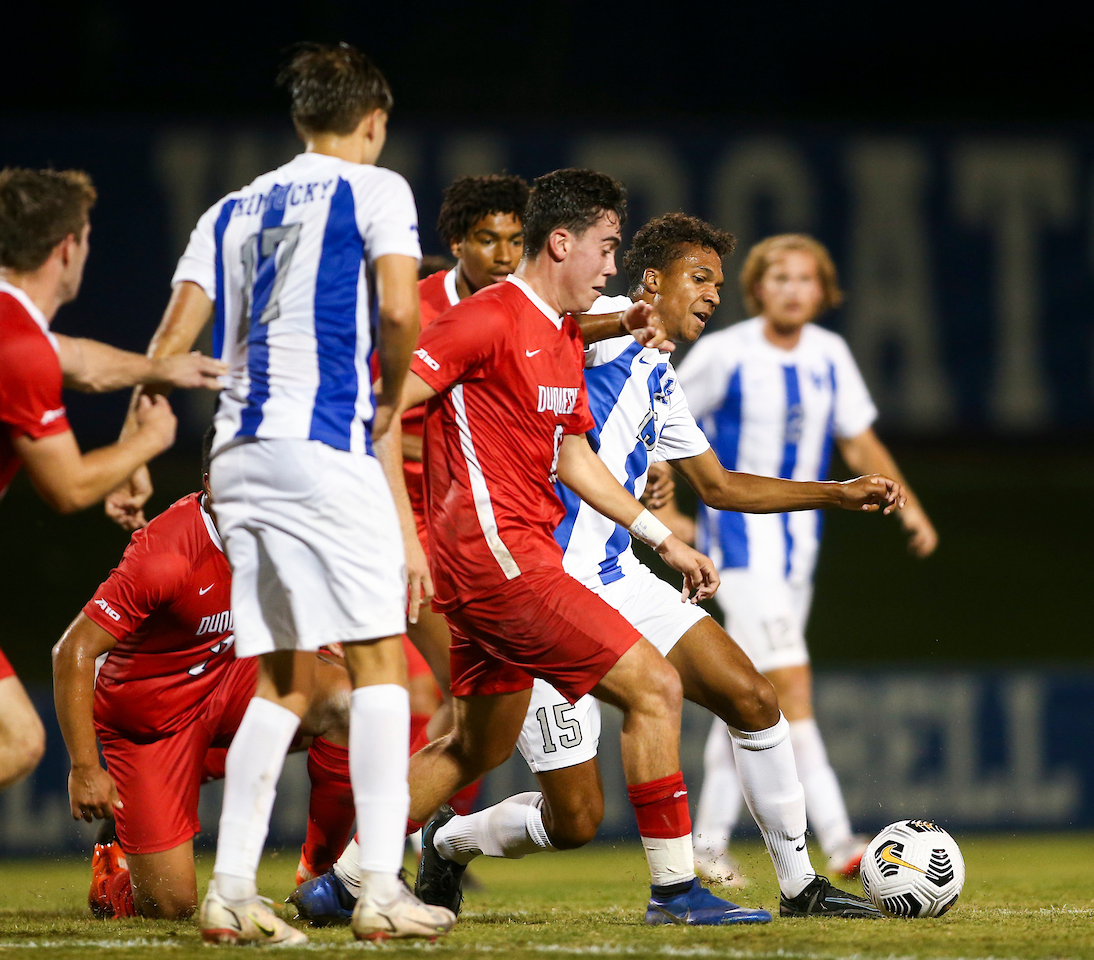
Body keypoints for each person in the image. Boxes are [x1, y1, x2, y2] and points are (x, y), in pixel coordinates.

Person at [301, 212, 900, 925]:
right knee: (574, 811)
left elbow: (719, 487)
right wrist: (621, 324)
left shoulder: (660, 375)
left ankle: (801, 887)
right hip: (544, 577)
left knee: (752, 697)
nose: (712, 295)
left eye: (716, 282)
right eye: (698, 278)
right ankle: (444, 848)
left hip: (618, 576)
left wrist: (835, 493)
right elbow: (547, 334)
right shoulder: (600, 319)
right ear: (652, 281)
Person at [316, 169, 734, 927]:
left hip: (505, 561)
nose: (613, 268)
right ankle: (675, 892)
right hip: (500, 561)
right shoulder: (486, 318)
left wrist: (659, 537)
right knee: (656, 689)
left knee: (474, 747)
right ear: (563, 241)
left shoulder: (559, 334)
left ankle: (342, 882)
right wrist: (406, 538)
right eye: (606, 250)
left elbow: (574, 458)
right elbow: (377, 408)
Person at [157, 43, 453, 945]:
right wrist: (390, 398)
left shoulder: (229, 207)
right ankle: (378, 891)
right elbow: (401, 310)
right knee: (377, 667)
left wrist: (141, 440)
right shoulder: (378, 189)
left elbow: (171, 345)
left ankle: (232, 890)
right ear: (372, 120)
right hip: (323, 447)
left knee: (282, 678)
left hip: (239, 457)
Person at [0, 167, 223, 846]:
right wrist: (147, 444)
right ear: (68, 248)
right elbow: (68, 488)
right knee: (12, 740)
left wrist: (155, 369)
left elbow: (74, 359)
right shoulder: (15, 345)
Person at [677, 233, 938, 882]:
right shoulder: (723, 354)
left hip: (798, 557)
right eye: (780, 277)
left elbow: (858, 439)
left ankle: (705, 842)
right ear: (757, 288)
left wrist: (911, 508)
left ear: (824, 292)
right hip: (737, 549)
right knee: (790, 687)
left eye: (805, 279)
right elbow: (657, 419)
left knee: (747, 697)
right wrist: (664, 511)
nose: (793, 289)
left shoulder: (830, 354)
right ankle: (841, 840)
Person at [294, 174, 530, 886]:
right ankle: (361, 859)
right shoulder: (418, 314)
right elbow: (377, 425)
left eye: (516, 240)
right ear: (454, 243)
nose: (503, 254)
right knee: (352, 700)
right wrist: (405, 535)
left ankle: (405, 851)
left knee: (454, 701)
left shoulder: (524, 314)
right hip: (392, 531)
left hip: (463, 538)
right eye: (488, 238)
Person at [53, 430, 352, 920]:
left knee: (349, 701)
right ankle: (113, 878)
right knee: (172, 906)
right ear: (212, 486)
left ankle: (322, 875)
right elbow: (73, 651)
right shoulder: (165, 556)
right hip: (153, 720)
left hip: (227, 679)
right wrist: (85, 767)